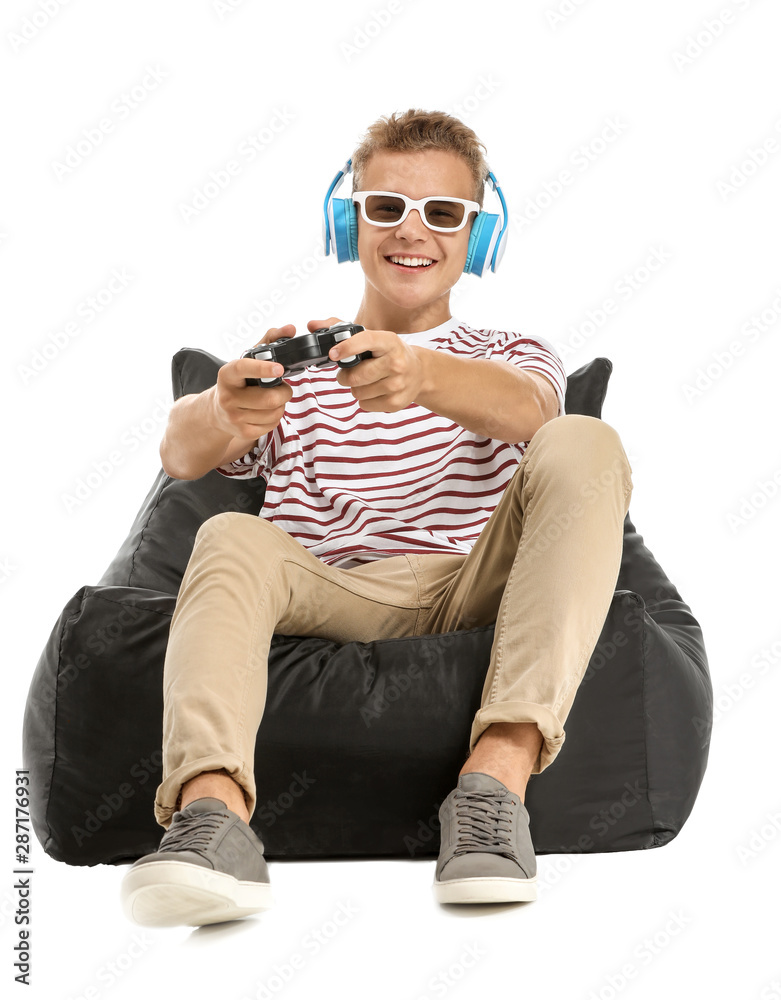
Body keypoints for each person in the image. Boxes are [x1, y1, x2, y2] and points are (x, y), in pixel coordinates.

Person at [120, 108, 633, 927]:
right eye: (386, 207)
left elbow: (534, 410)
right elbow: (182, 458)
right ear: (348, 219)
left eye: (442, 213)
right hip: (329, 586)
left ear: (477, 235)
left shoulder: (509, 348)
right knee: (224, 534)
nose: (411, 231)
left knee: (584, 439)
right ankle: (211, 821)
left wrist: (421, 375)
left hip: (476, 583)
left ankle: (491, 793)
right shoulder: (297, 371)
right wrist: (224, 407)